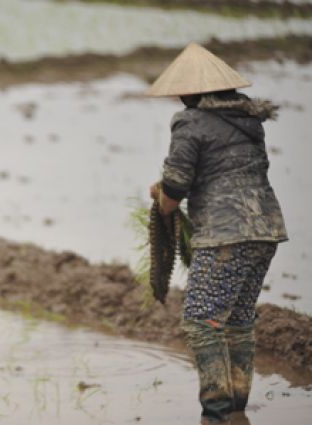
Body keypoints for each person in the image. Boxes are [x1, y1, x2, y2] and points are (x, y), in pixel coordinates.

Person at [146, 43, 288, 422]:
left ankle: (216, 411)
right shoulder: (250, 120)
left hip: (225, 234)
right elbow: (230, 168)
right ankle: (238, 407)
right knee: (239, 320)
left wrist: (162, 202)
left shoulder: (189, 122)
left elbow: (176, 186)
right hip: (266, 230)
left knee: (200, 320)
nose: (180, 97)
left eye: (182, 92)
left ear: (193, 92)